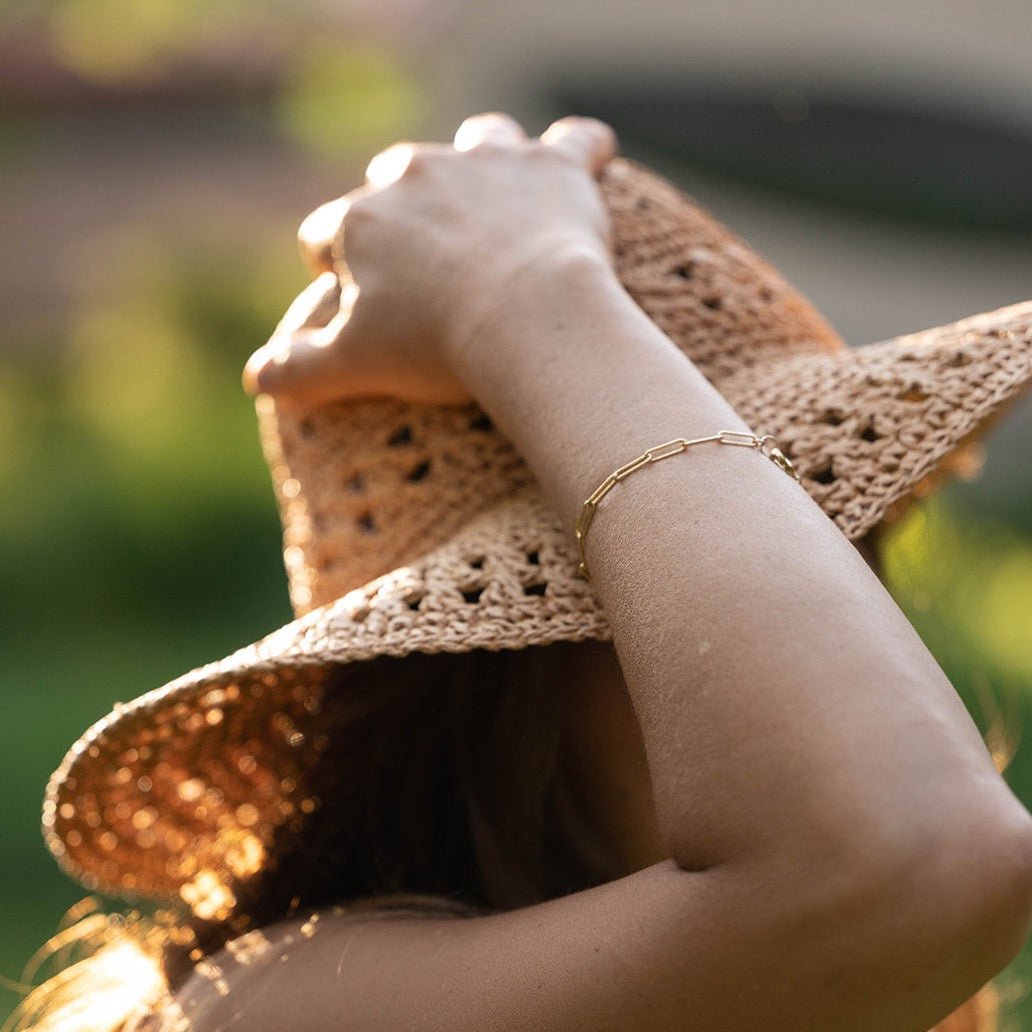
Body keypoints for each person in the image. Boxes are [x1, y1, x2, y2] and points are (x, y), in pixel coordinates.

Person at [16, 112, 1032, 1032]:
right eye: (743, 532)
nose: (828, 605)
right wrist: (524, 290)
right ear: (495, 663)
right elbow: (905, 862)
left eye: (829, 535)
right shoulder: (279, 1006)